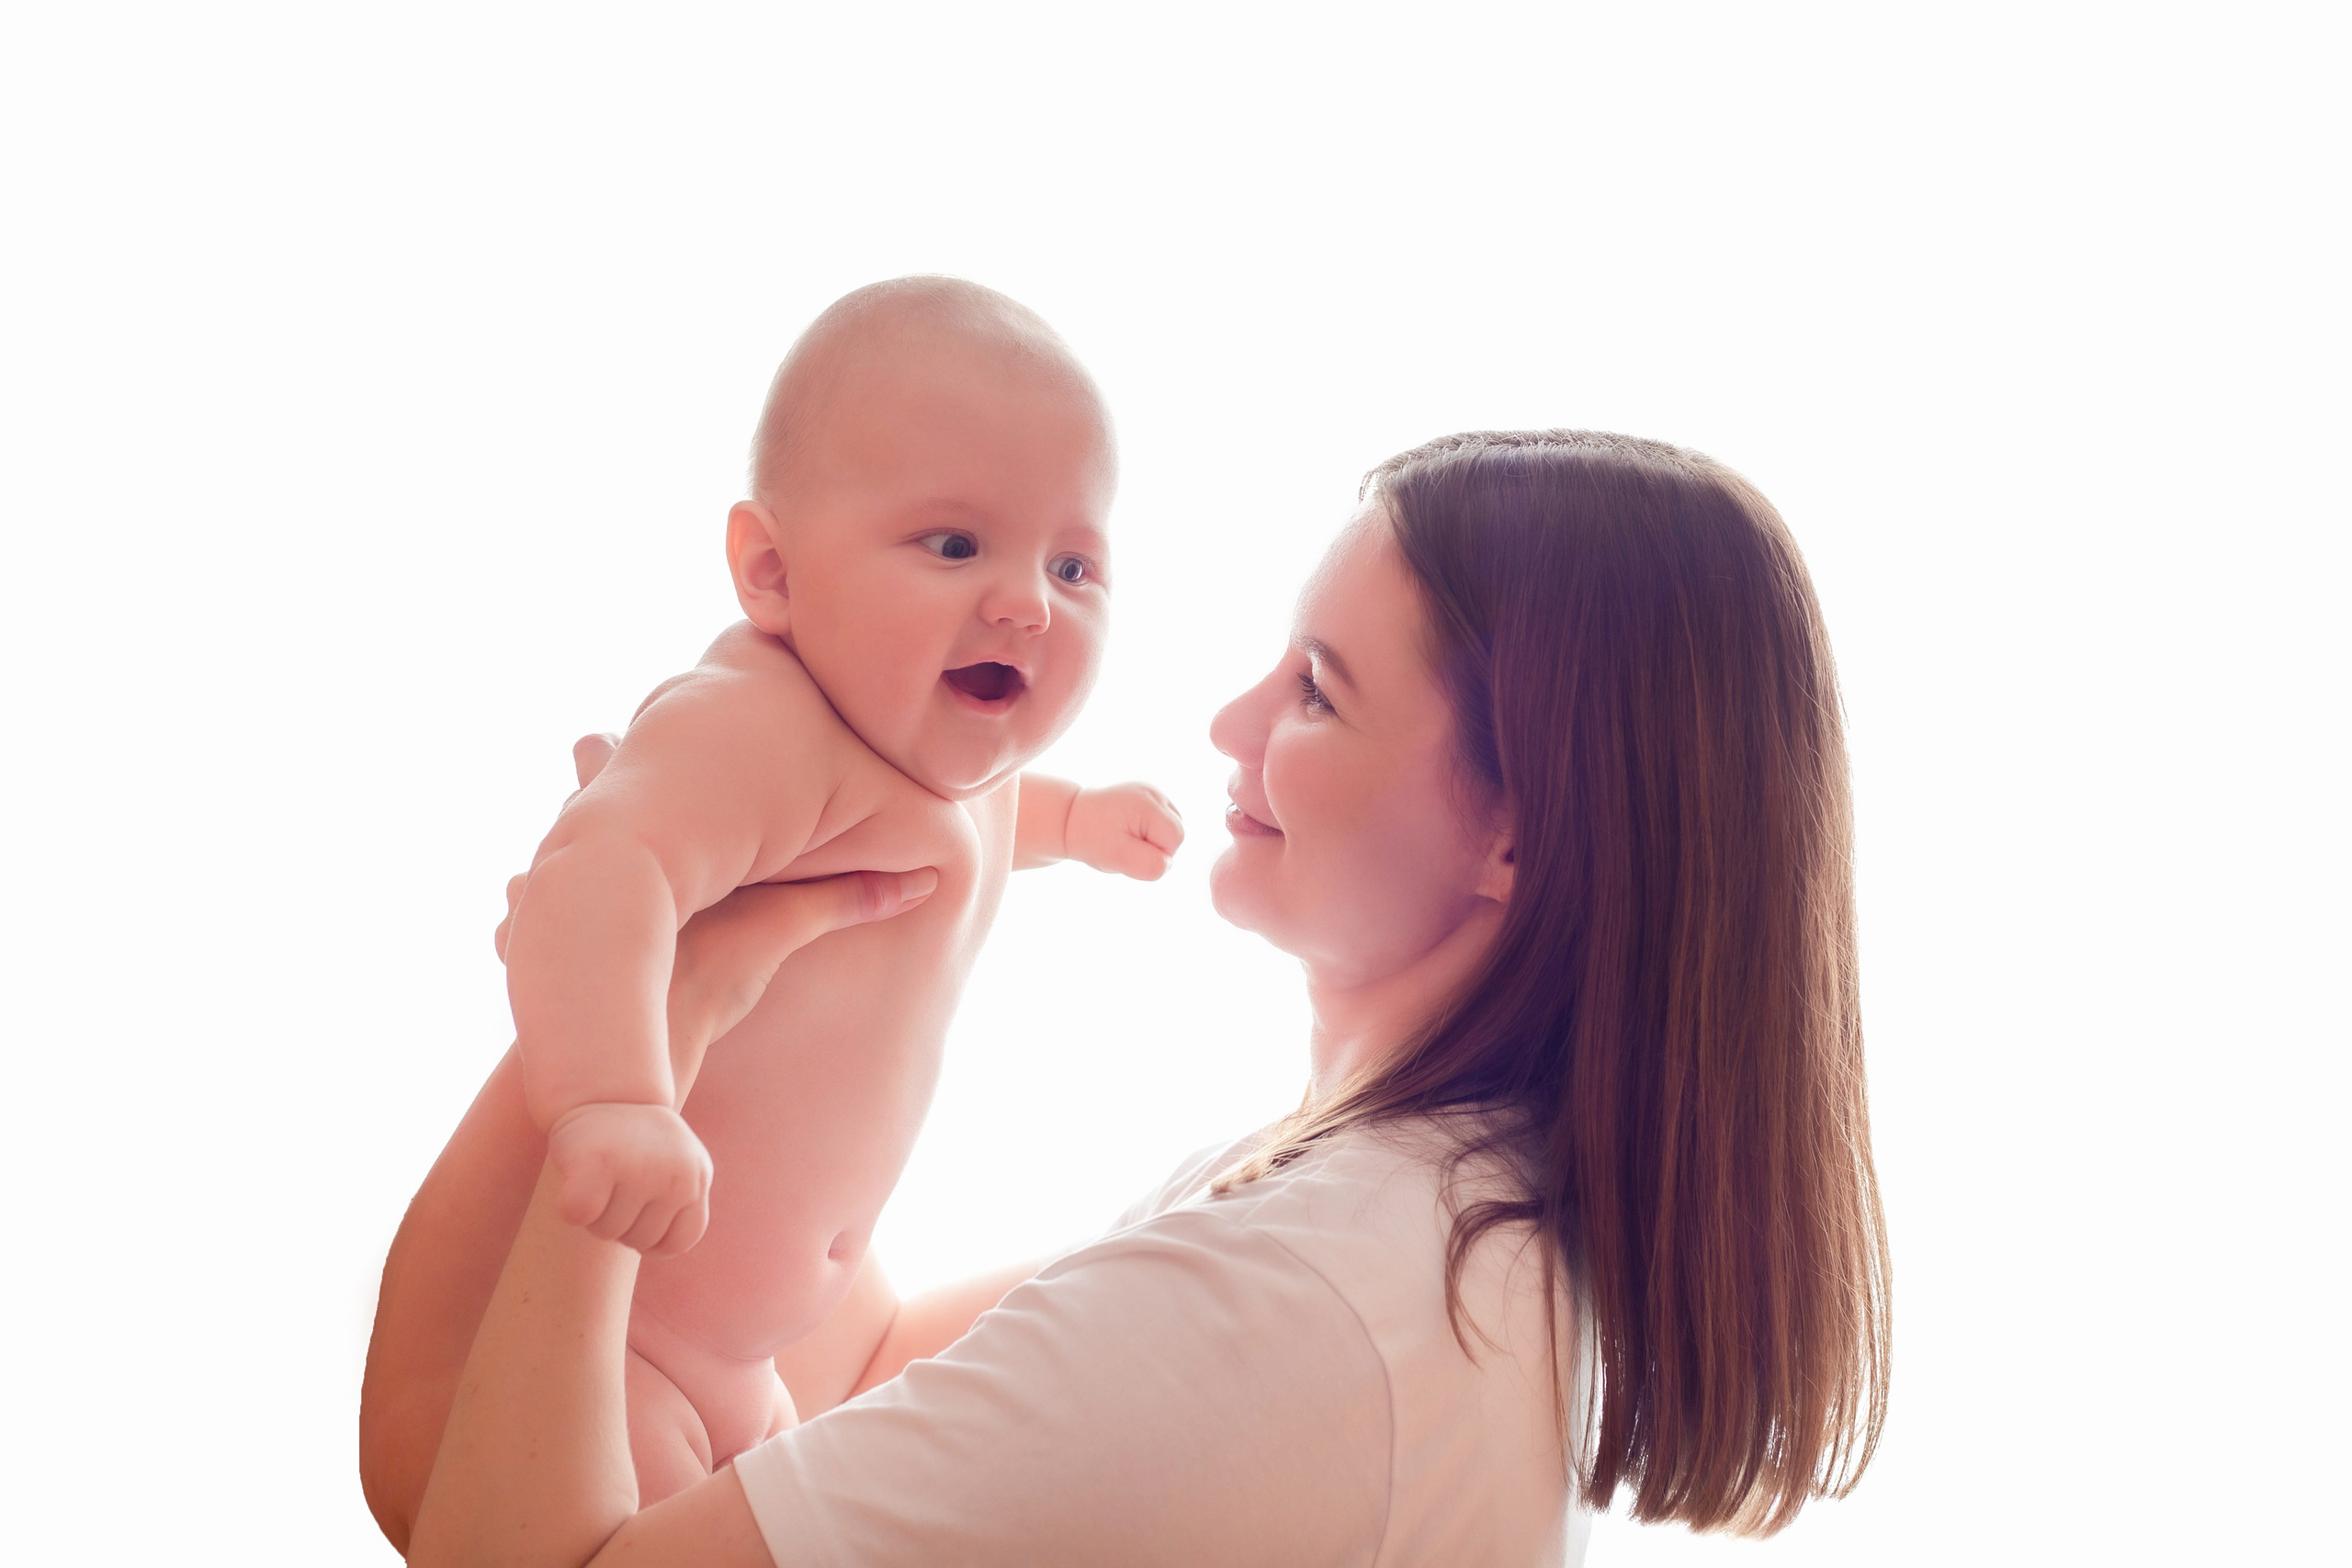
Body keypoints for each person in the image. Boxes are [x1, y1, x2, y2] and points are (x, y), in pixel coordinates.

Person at [381, 429, 1892, 1566]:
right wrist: (705, 918)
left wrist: (634, 1034)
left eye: (1317, 689)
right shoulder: (1398, 1208)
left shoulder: (1298, 1305)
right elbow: (855, 1367)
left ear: (1520, 829)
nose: (1231, 725)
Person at [478, 273, 1183, 1502]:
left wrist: (1074, 821)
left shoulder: (941, 760)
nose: (1024, 601)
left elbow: (978, 826)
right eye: (954, 544)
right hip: (626, 1341)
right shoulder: (758, 726)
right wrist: (616, 1102)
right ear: (770, 571)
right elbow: (597, 874)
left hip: (756, 1355)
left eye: (1074, 567)